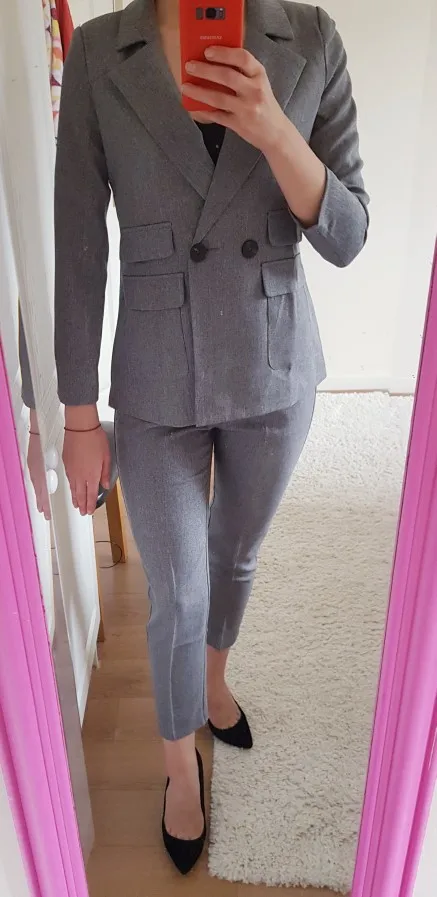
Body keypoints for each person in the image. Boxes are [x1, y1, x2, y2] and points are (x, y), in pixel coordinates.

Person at [55, 0, 369, 874]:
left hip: (273, 364)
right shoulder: (98, 52)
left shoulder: (309, 37)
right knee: (178, 592)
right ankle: (176, 766)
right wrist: (78, 414)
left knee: (235, 554)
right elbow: (78, 241)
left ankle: (214, 680)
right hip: (156, 378)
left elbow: (348, 235)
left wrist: (274, 130)